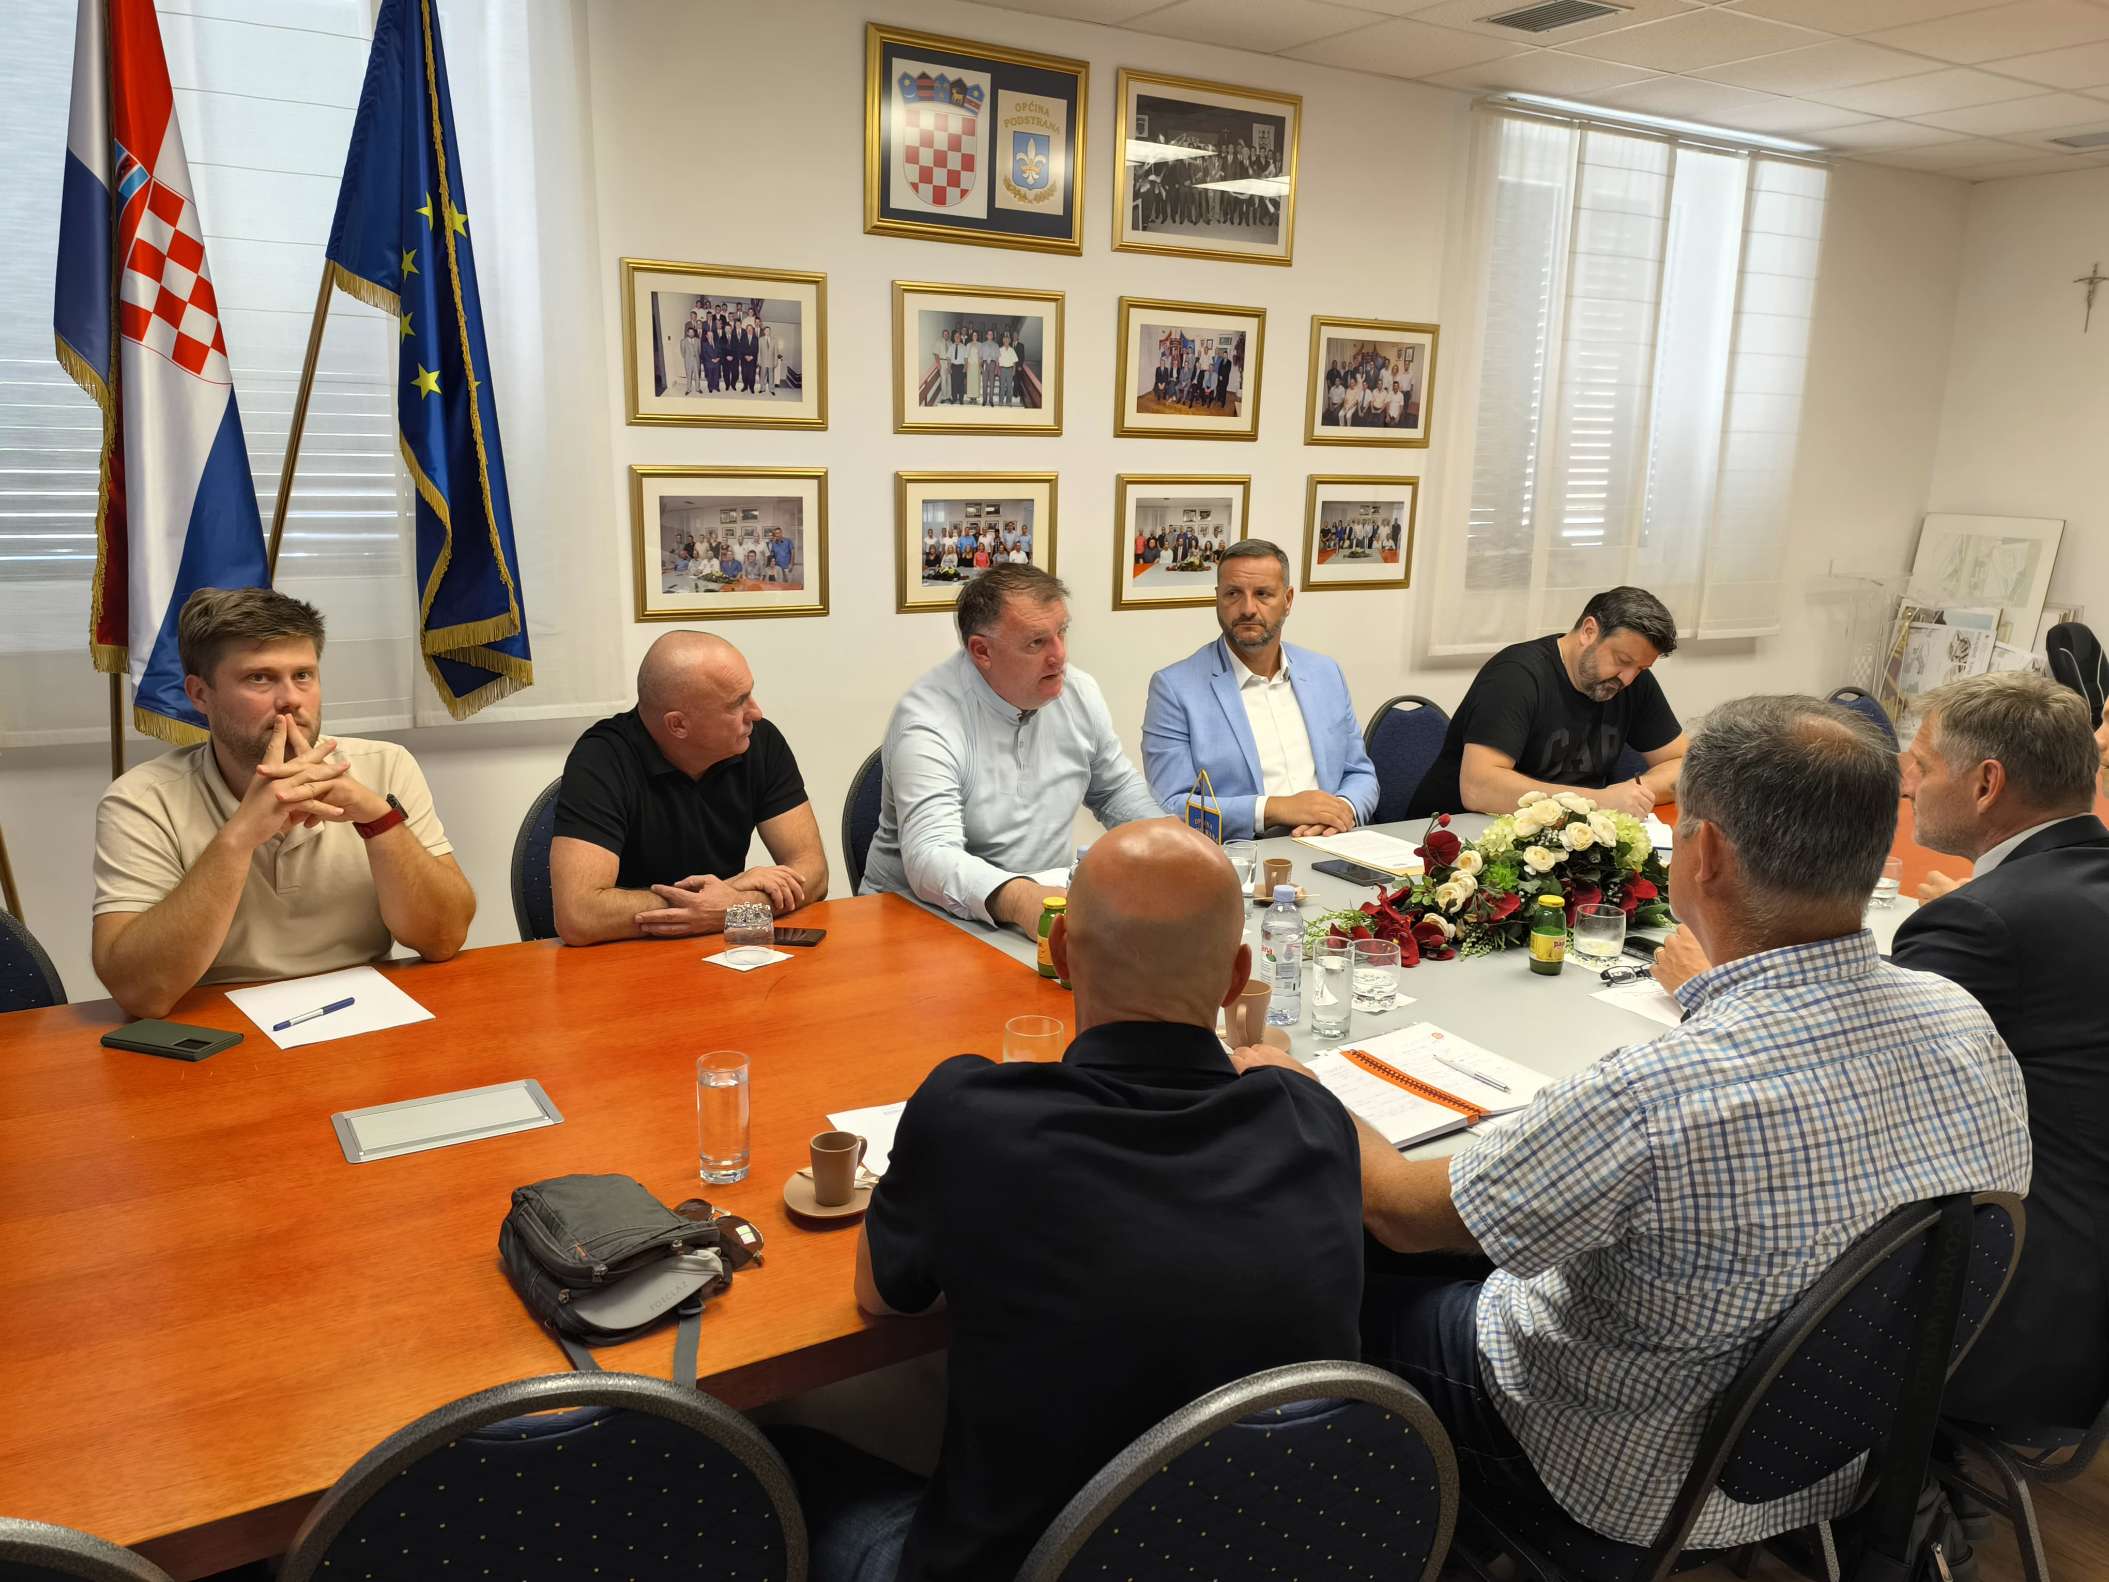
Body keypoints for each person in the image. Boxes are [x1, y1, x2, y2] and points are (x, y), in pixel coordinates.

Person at [1235, 694, 2031, 1555]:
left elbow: (1402, 1210)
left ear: (1705, 852)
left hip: (1624, 1474)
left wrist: (1299, 1086)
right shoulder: (1962, 1020)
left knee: (1345, 1275)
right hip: (1842, 1450)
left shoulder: (1660, 1093)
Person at [776, 821, 1364, 1582]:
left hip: (1028, 1565)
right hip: (1268, 1554)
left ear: (1057, 953)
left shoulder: (970, 1116)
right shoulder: (1311, 1120)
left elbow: (881, 1298)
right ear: (1236, 977)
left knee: (777, 1446)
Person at [1858, 675, 2107, 1428]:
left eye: (1923, 763)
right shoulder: (2045, 898)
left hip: (2015, 1311)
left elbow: (1852, 1082)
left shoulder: (1986, 923)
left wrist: (1711, 980)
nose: (1908, 782)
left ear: (1986, 784)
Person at [92, 587, 474, 1017]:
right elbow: (140, 992)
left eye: (303, 675)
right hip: (217, 1022)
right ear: (199, 695)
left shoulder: (385, 766)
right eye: (259, 678)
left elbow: (443, 939)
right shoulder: (141, 799)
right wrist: (239, 838)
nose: (290, 698)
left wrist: (377, 819)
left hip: (363, 1012)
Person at [861, 565, 1164, 935]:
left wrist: (1175, 846)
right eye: (1036, 643)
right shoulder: (929, 720)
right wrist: (1022, 900)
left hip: (1041, 909)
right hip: (918, 923)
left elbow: (1115, 792)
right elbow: (931, 856)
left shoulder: (1078, 693)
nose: (1060, 656)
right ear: (982, 651)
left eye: (1062, 632)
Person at [550, 631, 827, 945]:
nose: (756, 712)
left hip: (723, 948)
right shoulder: (601, 758)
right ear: (678, 724)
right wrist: (729, 891)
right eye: (737, 703)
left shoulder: (758, 741)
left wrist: (737, 905)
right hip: (627, 954)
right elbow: (579, 915)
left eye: (749, 693)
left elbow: (814, 874)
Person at [1141, 540, 1380, 839]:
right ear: (1217, 599)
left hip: (1332, 842)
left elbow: (1359, 773)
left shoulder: (1325, 673)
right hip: (1242, 855)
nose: (1247, 609)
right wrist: (1274, 809)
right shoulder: (1175, 689)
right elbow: (1171, 805)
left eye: (1263, 594)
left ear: (1288, 600)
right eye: (1233, 594)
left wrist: (1341, 810)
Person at [1409, 585, 1688, 818]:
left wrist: (1635, 792)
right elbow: (1479, 788)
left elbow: (1685, 764)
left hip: (1567, 836)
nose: (1627, 678)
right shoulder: (1515, 676)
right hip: (1454, 834)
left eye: (1640, 668)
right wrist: (1598, 801)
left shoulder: (1632, 681)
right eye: (1622, 660)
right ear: (1589, 631)